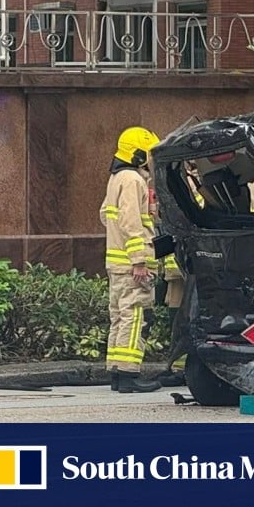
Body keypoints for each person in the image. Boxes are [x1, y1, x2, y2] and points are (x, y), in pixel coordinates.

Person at [100, 126, 163, 393]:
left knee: (120, 315)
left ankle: (117, 372)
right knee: (135, 316)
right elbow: (130, 222)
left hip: (117, 261)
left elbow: (106, 215)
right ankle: (129, 374)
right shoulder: (133, 180)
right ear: (138, 155)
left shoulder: (116, 178)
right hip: (131, 263)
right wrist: (139, 260)